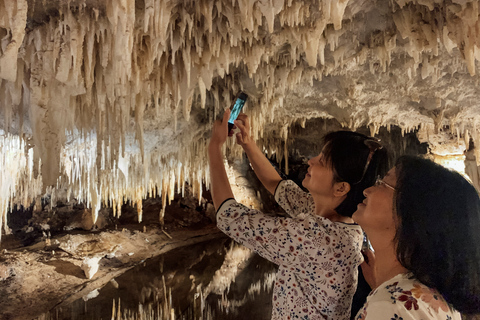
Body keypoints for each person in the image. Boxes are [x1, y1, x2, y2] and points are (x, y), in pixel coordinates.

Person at [208, 109, 388, 320]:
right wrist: (247, 143)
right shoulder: (339, 221)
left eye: (322, 161)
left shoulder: (316, 238)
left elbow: (228, 216)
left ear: (341, 188)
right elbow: (278, 186)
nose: (311, 160)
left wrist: (214, 147)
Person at [353, 155, 480, 319]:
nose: (367, 190)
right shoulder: (417, 297)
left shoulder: (393, 306)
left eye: (382, 183)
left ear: (413, 213)